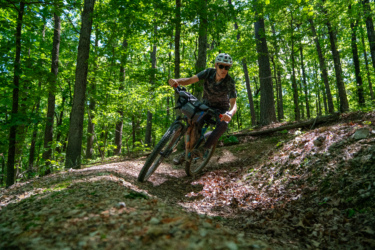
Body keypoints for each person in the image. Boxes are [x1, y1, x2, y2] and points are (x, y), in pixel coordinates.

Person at [168, 53, 237, 163]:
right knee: (194, 124)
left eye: (227, 67)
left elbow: (234, 103)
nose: (224, 69)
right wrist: (177, 81)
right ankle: (187, 152)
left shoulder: (230, 82)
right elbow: (190, 80)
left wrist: (229, 114)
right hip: (206, 105)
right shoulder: (208, 72)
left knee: (223, 124)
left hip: (221, 109)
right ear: (216, 66)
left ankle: (203, 148)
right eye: (221, 66)